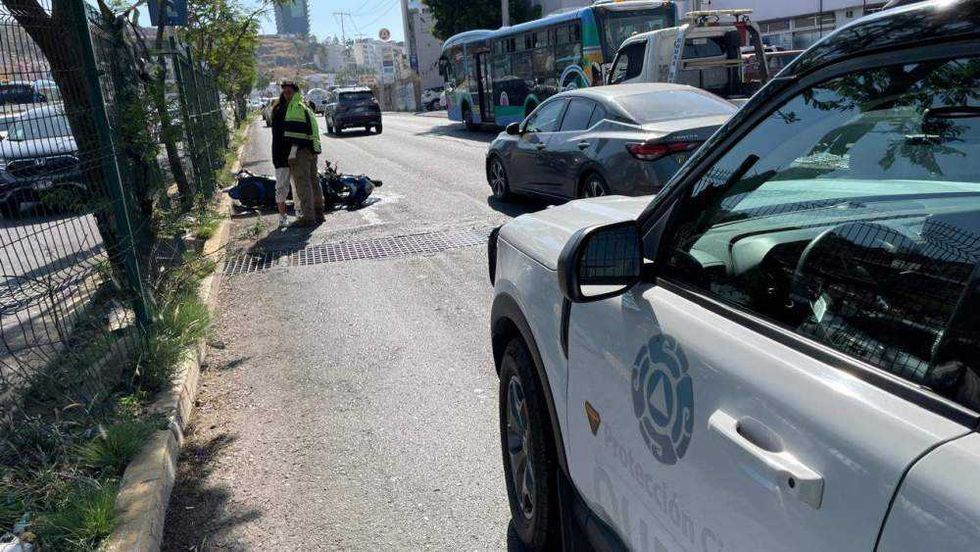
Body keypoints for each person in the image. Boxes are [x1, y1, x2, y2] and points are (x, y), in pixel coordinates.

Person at [281, 80, 324, 226]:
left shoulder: (295, 107)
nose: (286, 95)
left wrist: (292, 153)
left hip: (301, 153)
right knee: (314, 182)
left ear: (295, 92)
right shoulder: (304, 105)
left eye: (289, 92)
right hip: (312, 150)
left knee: (303, 184)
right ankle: (319, 214)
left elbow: (295, 135)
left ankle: (308, 217)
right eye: (284, 92)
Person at [269, 92, 294, 228]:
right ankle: (283, 216)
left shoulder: (280, 110)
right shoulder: (280, 111)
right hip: (283, 155)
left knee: (289, 186)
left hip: (288, 154)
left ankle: (286, 215)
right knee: (283, 186)